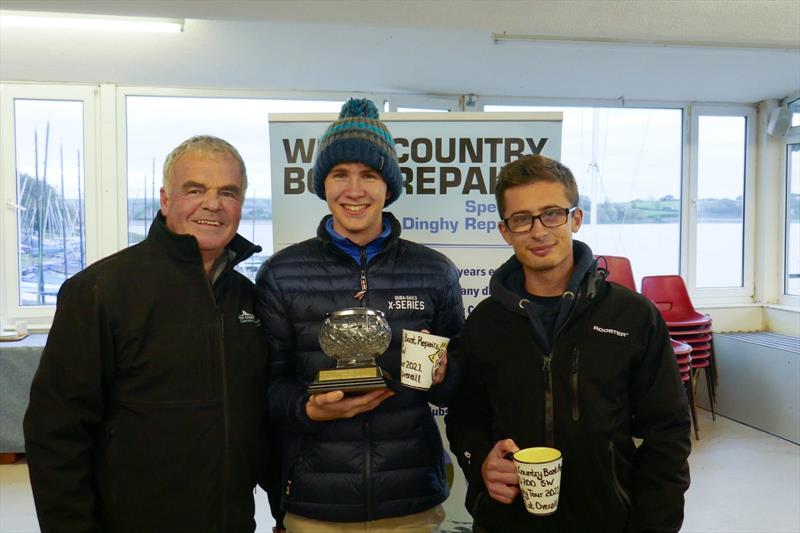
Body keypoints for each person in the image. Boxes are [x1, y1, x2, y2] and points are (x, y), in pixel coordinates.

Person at [24, 135, 271, 533]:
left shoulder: (247, 298)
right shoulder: (101, 291)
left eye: (229, 192)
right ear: (165, 199)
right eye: (195, 189)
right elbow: (55, 432)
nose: (213, 204)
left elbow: (257, 421)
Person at [445, 154, 691, 532]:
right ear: (505, 230)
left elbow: (668, 432)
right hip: (507, 523)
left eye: (552, 214)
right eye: (522, 219)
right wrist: (479, 460)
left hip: (610, 521)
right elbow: (465, 418)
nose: (539, 231)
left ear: (575, 218)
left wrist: (655, 526)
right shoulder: (485, 323)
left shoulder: (633, 316)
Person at [255, 98, 464, 532]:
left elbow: (460, 388)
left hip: (410, 500)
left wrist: (445, 376)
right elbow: (267, 389)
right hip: (315, 503)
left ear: (389, 186)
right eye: (340, 174)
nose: (355, 190)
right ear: (322, 185)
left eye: (369, 175)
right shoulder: (281, 273)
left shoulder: (434, 271)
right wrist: (309, 410)